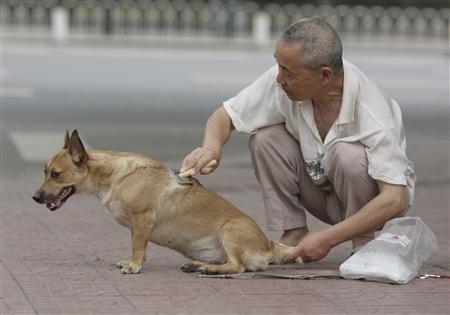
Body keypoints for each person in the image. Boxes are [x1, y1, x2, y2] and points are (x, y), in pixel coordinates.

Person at [180, 17, 416, 263]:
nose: (279, 79)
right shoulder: (285, 80)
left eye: (288, 73)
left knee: (347, 155)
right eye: (278, 66)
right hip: (320, 187)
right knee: (265, 138)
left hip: (372, 205)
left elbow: (393, 198)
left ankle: (362, 242)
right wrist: (210, 149)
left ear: (325, 75)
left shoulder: (372, 111)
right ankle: (293, 230)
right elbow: (224, 116)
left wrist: (328, 239)